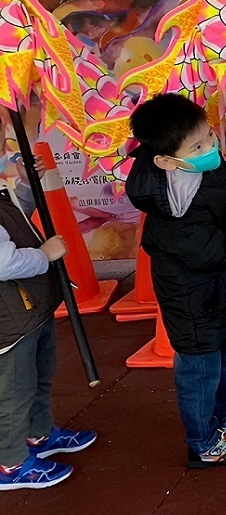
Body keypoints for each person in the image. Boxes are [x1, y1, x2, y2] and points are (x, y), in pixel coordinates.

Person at [126, 94, 226, 468]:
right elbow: (206, 250)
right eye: (198, 146)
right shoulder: (170, 202)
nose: (210, 147)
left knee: (223, 357)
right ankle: (203, 442)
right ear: (165, 160)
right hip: (193, 299)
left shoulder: (196, 166)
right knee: (200, 371)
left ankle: (224, 416)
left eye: (210, 136)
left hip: (216, 290)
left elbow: (222, 194)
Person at [0, 144, 96, 491]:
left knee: (39, 376)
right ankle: (10, 463)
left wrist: (27, 185)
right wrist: (44, 255)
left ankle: (38, 435)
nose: (5, 149)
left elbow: (18, 221)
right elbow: (3, 263)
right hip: (10, 317)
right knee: (14, 392)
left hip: (28, 307)